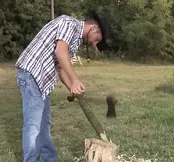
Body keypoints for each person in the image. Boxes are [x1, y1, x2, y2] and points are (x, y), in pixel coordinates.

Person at [15, 9, 111, 162]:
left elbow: (60, 68)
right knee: (33, 127)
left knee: (43, 124)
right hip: (31, 75)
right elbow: (60, 52)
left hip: (41, 80)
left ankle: (48, 159)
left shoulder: (74, 41)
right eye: (97, 39)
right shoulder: (68, 23)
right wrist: (75, 80)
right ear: (93, 28)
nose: (94, 44)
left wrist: (73, 88)